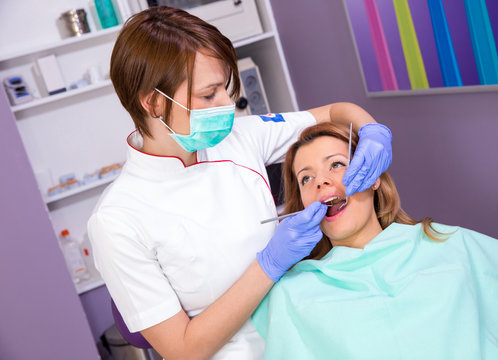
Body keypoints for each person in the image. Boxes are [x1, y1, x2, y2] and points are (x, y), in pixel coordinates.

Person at [87, 6, 393, 360]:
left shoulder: (236, 138)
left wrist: (371, 130)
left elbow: (334, 113)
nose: (228, 105)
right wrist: (268, 265)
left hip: (310, 336)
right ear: (154, 102)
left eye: (226, 88)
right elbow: (183, 350)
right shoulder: (117, 220)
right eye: (208, 95)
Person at [252, 122, 498, 359]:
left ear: (372, 175)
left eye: (337, 165)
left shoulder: (455, 246)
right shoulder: (294, 295)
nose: (321, 182)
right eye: (306, 179)